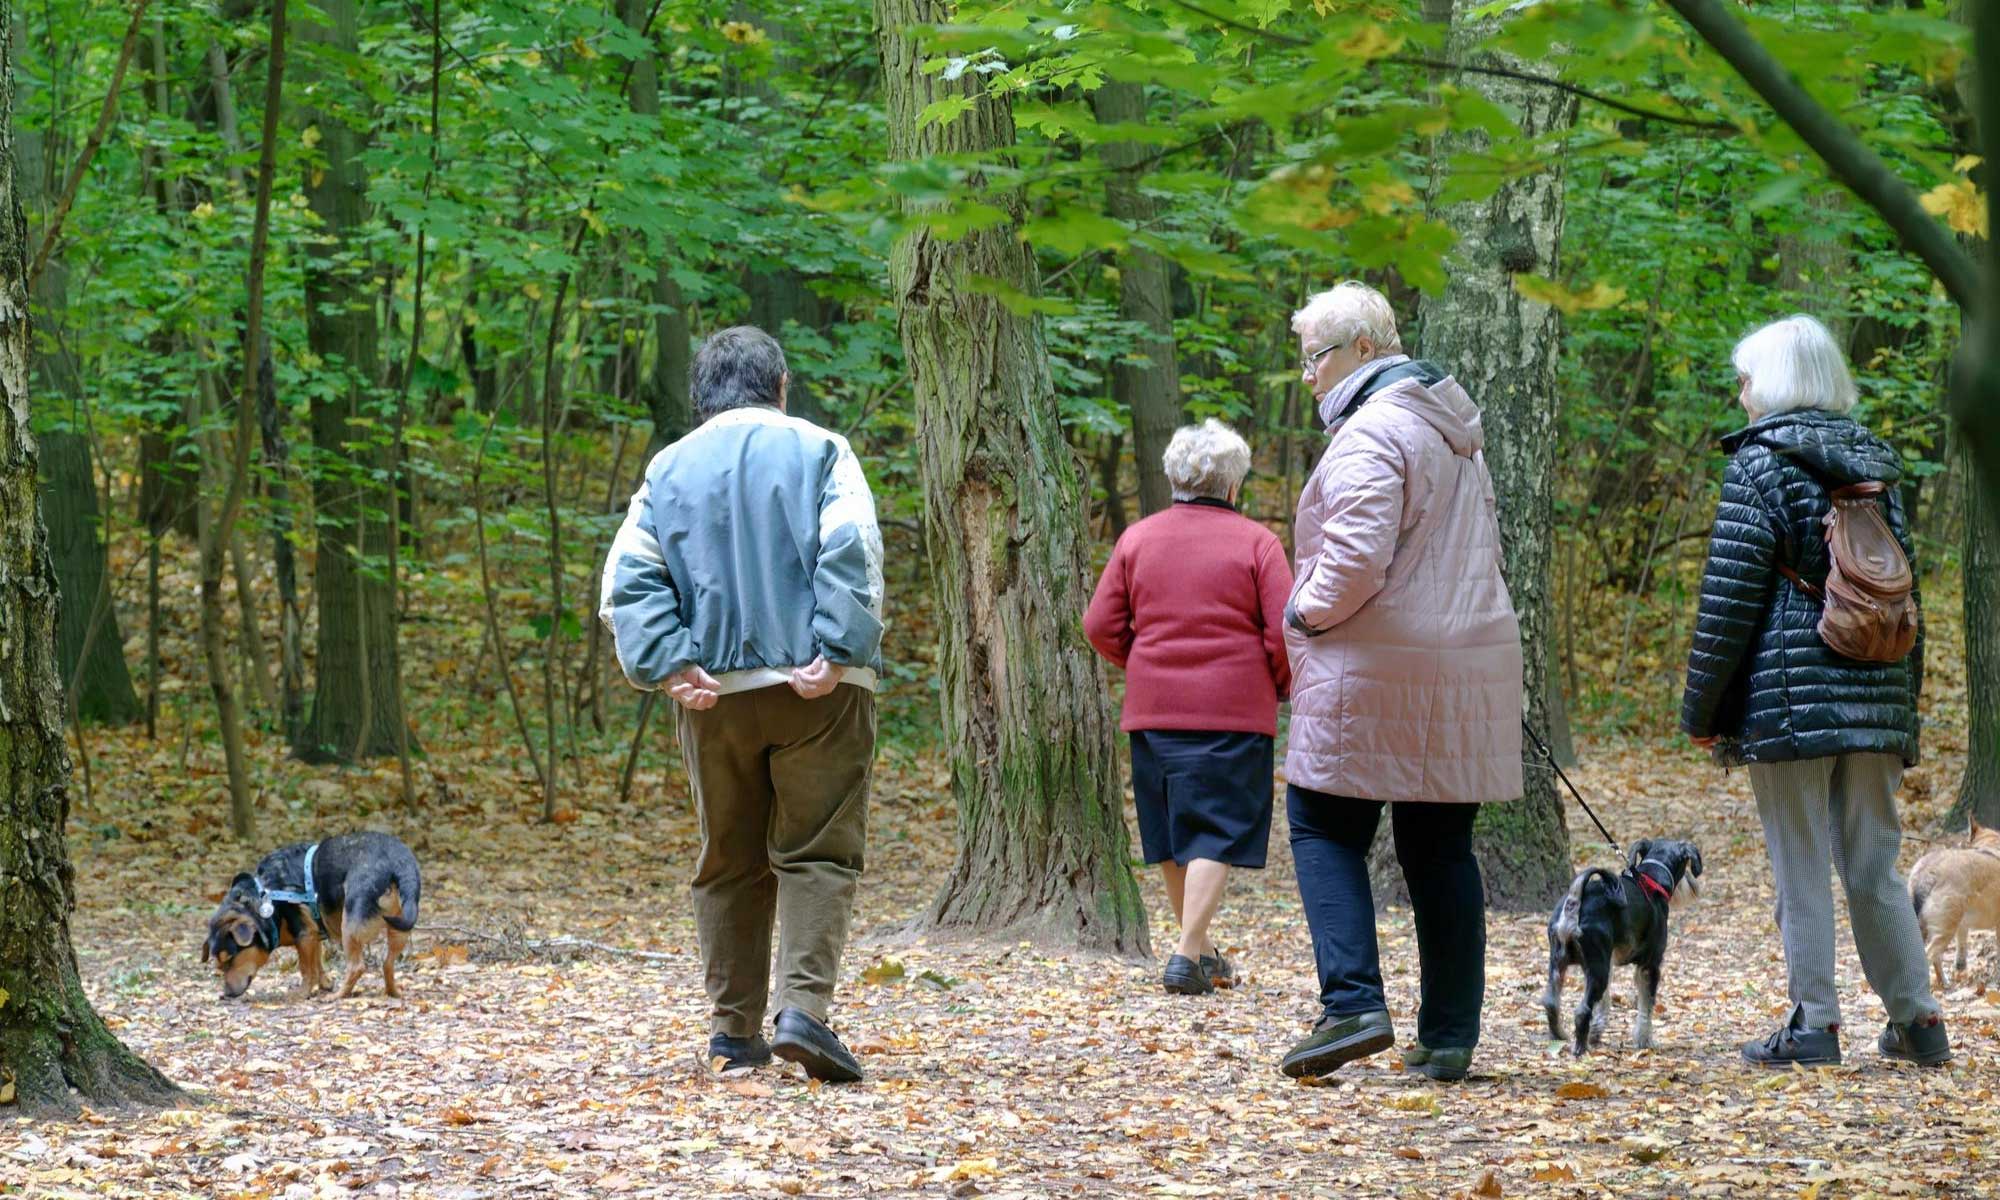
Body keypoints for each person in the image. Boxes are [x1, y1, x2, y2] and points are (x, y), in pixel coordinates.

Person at [599, 325, 885, 1083]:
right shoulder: (823, 449)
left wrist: (668, 665)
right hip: (817, 687)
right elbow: (850, 544)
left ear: (701, 398)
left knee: (728, 860)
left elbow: (629, 577)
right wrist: (840, 643)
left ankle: (733, 1035)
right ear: (781, 385)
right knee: (817, 851)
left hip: (713, 696)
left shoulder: (668, 467)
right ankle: (803, 1013)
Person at [1681, 313, 1949, 1068]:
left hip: (1790, 694)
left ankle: (1815, 1025)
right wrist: (1907, 712)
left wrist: (1702, 713)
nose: (1739, 397)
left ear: (1771, 383)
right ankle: (1919, 1021)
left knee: (1800, 861)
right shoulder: (1877, 465)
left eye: (1744, 381)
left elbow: (1729, 602)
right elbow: (1906, 595)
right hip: (1878, 687)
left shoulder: (1760, 464)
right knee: (1875, 864)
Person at [1278, 281, 1522, 1084]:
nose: (1308, 374)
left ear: (1364, 351)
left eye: (1316, 356)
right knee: (1440, 846)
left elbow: (1353, 560)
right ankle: (1449, 1036)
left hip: (1375, 665)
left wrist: (1303, 616)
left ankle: (1351, 1002)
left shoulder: (1373, 433)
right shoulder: (1453, 432)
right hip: (1464, 664)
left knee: (1320, 821)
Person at [1084, 420, 1293, 996]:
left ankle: (1199, 951)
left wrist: (1147, 662)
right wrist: (1277, 685)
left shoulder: (1138, 539)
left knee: (1175, 833)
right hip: (1232, 714)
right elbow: (1284, 635)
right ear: (1233, 486)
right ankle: (1186, 953)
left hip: (1154, 713)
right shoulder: (1258, 543)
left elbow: (1099, 626)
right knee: (1215, 832)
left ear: (1174, 476)